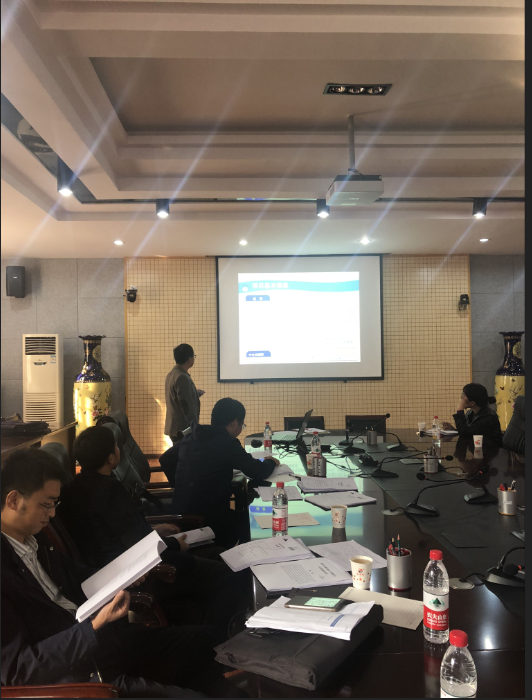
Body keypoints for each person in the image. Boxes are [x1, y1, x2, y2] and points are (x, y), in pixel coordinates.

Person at [1, 449, 227, 698]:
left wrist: (122, 576)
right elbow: (18, 670)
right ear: (13, 500)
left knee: (215, 643)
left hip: (107, 641)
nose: (52, 514)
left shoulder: (35, 540)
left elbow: (78, 575)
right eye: (46, 504)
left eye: (55, 504)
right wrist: (94, 626)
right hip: (84, 676)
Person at [58, 426, 249, 635]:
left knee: (219, 555)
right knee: (227, 573)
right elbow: (140, 544)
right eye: (116, 446)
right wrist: (176, 543)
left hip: (113, 566)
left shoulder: (74, 489)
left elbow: (116, 531)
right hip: (142, 572)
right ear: (111, 458)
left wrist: (156, 529)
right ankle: (220, 635)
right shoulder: (109, 490)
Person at [161, 398, 279, 548]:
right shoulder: (227, 443)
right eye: (242, 424)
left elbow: (165, 459)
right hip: (206, 521)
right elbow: (258, 471)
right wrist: (271, 462)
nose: (241, 428)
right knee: (252, 519)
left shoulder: (192, 436)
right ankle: (238, 557)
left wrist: (181, 485)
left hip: (182, 514)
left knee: (243, 513)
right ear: (234, 422)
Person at [165, 343, 204, 444]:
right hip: (182, 429)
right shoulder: (181, 377)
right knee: (185, 453)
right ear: (189, 359)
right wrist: (194, 426)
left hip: (175, 427)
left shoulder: (172, 374)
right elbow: (186, 405)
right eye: (193, 356)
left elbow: (177, 397)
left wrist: (195, 394)